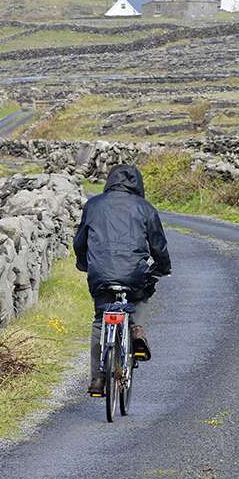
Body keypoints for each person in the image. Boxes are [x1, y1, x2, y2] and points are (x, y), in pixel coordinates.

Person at [73, 164, 171, 397]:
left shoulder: (94, 204)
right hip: (133, 273)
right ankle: (136, 330)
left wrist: (83, 263)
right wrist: (162, 268)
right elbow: (158, 243)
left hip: (100, 273)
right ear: (138, 183)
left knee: (100, 320)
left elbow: (80, 241)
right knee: (143, 292)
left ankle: (97, 379)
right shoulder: (145, 208)